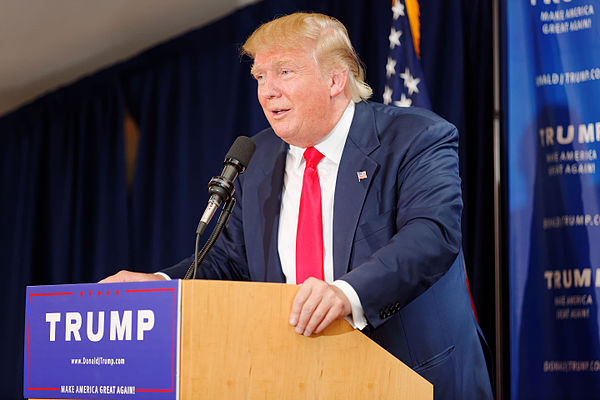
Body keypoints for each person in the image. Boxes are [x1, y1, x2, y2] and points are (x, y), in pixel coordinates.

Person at [102, 12, 493, 399]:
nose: (267, 90)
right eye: (260, 76)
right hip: (303, 379)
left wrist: (347, 294)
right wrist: (162, 286)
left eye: (284, 72)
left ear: (335, 79)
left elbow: (431, 236)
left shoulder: (415, 137)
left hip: (412, 376)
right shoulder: (257, 159)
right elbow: (230, 263)